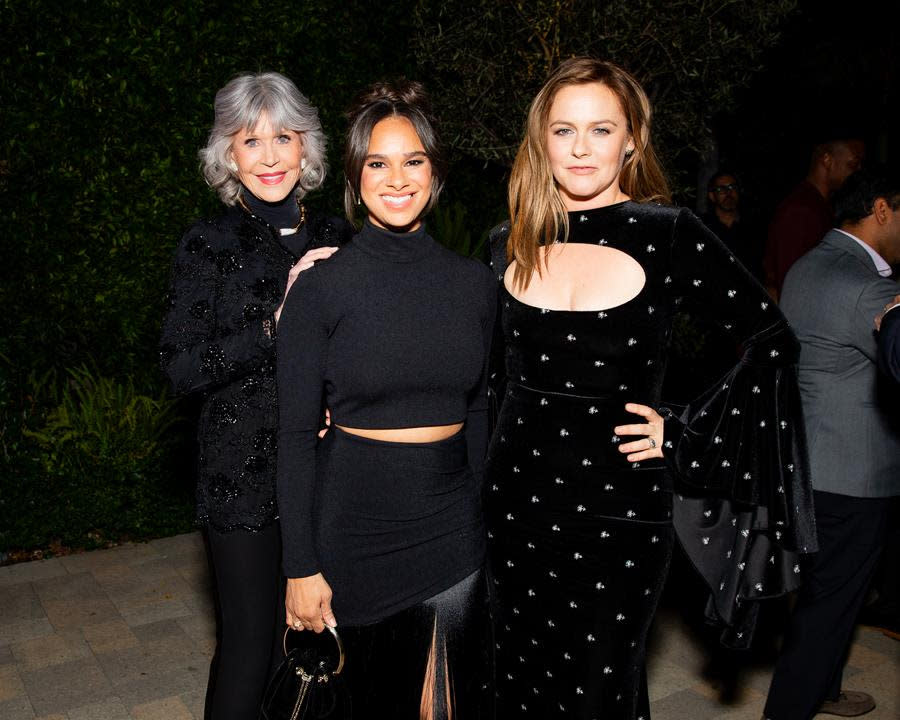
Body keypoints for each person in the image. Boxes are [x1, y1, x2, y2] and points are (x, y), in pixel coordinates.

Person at [485, 57, 816, 719]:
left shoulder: (670, 236)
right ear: (540, 141)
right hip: (512, 507)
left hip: (619, 515)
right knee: (518, 693)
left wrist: (686, 429)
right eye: (563, 130)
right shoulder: (506, 243)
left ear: (631, 139)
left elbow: (773, 339)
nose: (581, 147)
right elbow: (467, 367)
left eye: (601, 130)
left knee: (597, 692)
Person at [275, 80, 495, 717]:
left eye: (413, 161)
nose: (396, 178)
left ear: (435, 172)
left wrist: (485, 522)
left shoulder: (475, 286)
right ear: (355, 175)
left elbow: (478, 410)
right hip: (353, 534)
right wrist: (300, 566)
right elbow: (293, 437)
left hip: (454, 532)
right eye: (378, 162)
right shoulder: (321, 290)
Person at [159, 72, 351, 719]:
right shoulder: (208, 243)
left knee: (321, 642)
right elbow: (179, 366)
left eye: (283, 137)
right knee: (250, 647)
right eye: (249, 140)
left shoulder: (341, 232)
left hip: (329, 471)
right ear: (227, 154)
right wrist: (275, 320)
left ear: (307, 147)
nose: (269, 156)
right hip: (241, 477)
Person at [763, 167, 900, 720]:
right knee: (830, 607)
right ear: (883, 210)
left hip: (810, 464)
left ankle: (825, 689)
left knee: (821, 598)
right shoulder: (870, 286)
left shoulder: (810, 265)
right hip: (856, 476)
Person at [764, 136, 865, 298]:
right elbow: (789, 282)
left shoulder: (824, 206)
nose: (858, 171)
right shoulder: (799, 209)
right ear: (827, 160)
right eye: (852, 164)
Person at [702, 170, 765, 283]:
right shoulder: (704, 229)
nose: (728, 193)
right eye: (721, 189)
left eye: (732, 187)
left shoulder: (754, 229)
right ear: (712, 196)